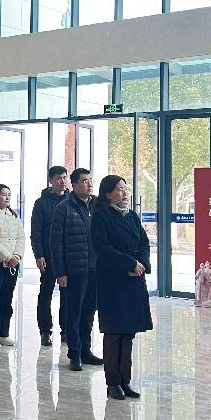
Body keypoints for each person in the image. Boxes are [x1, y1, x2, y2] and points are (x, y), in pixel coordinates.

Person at [90, 175, 152, 400]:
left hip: (134, 281)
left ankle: (125, 380)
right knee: (114, 333)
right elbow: (103, 249)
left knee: (128, 334)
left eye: (125, 189)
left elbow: (144, 243)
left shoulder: (132, 216)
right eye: (118, 189)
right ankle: (113, 382)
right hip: (113, 282)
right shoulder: (101, 216)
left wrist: (141, 263)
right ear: (108, 194)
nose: (124, 193)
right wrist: (129, 263)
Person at [50, 168, 103, 371]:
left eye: (91, 180)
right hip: (74, 270)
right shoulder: (64, 208)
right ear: (74, 185)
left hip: (95, 269)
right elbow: (56, 243)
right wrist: (60, 272)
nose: (89, 184)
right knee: (74, 312)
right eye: (84, 181)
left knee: (89, 312)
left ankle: (86, 351)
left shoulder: (98, 206)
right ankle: (74, 354)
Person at [31, 166, 69, 347]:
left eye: (65, 177)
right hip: (48, 256)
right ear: (51, 180)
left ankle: (66, 330)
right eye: (58, 178)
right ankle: (45, 331)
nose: (62, 181)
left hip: (68, 256)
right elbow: (36, 231)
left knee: (67, 295)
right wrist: (39, 255)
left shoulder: (72, 200)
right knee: (46, 293)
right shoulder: (41, 203)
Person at [0, 184, 24, 349]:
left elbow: (21, 238)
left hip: (12, 264)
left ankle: (3, 333)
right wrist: (7, 257)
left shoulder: (14, 216)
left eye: (9, 194)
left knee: (6, 299)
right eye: (3, 194)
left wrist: (17, 256)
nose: (7, 197)